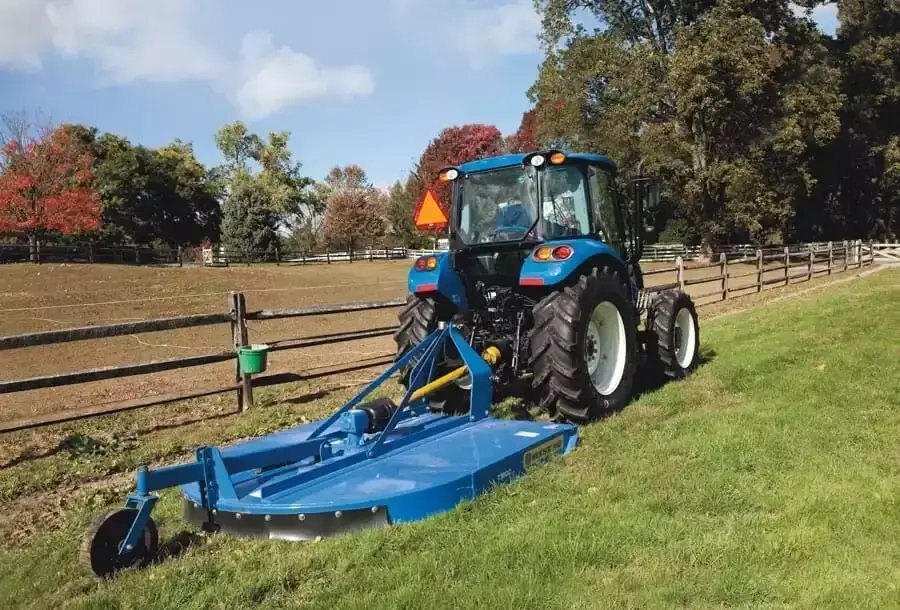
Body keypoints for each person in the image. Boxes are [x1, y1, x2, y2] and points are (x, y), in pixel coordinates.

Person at [542, 167, 584, 238]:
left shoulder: (556, 202)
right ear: (564, 175)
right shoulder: (529, 200)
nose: (564, 191)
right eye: (567, 187)